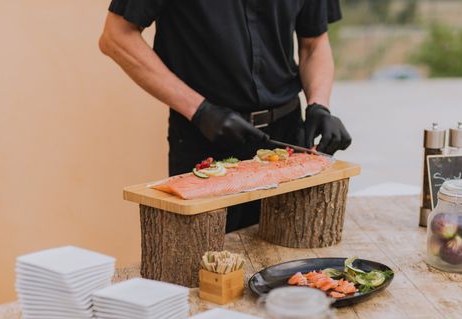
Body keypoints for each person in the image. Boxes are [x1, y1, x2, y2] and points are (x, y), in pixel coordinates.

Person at [99, 0, 351, 231]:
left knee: (294, 263)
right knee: (207, 269)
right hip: (205, 141)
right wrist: (200, 110)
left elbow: (314, 43)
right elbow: (116, 37)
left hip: (286, 141)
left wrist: (319, 105)